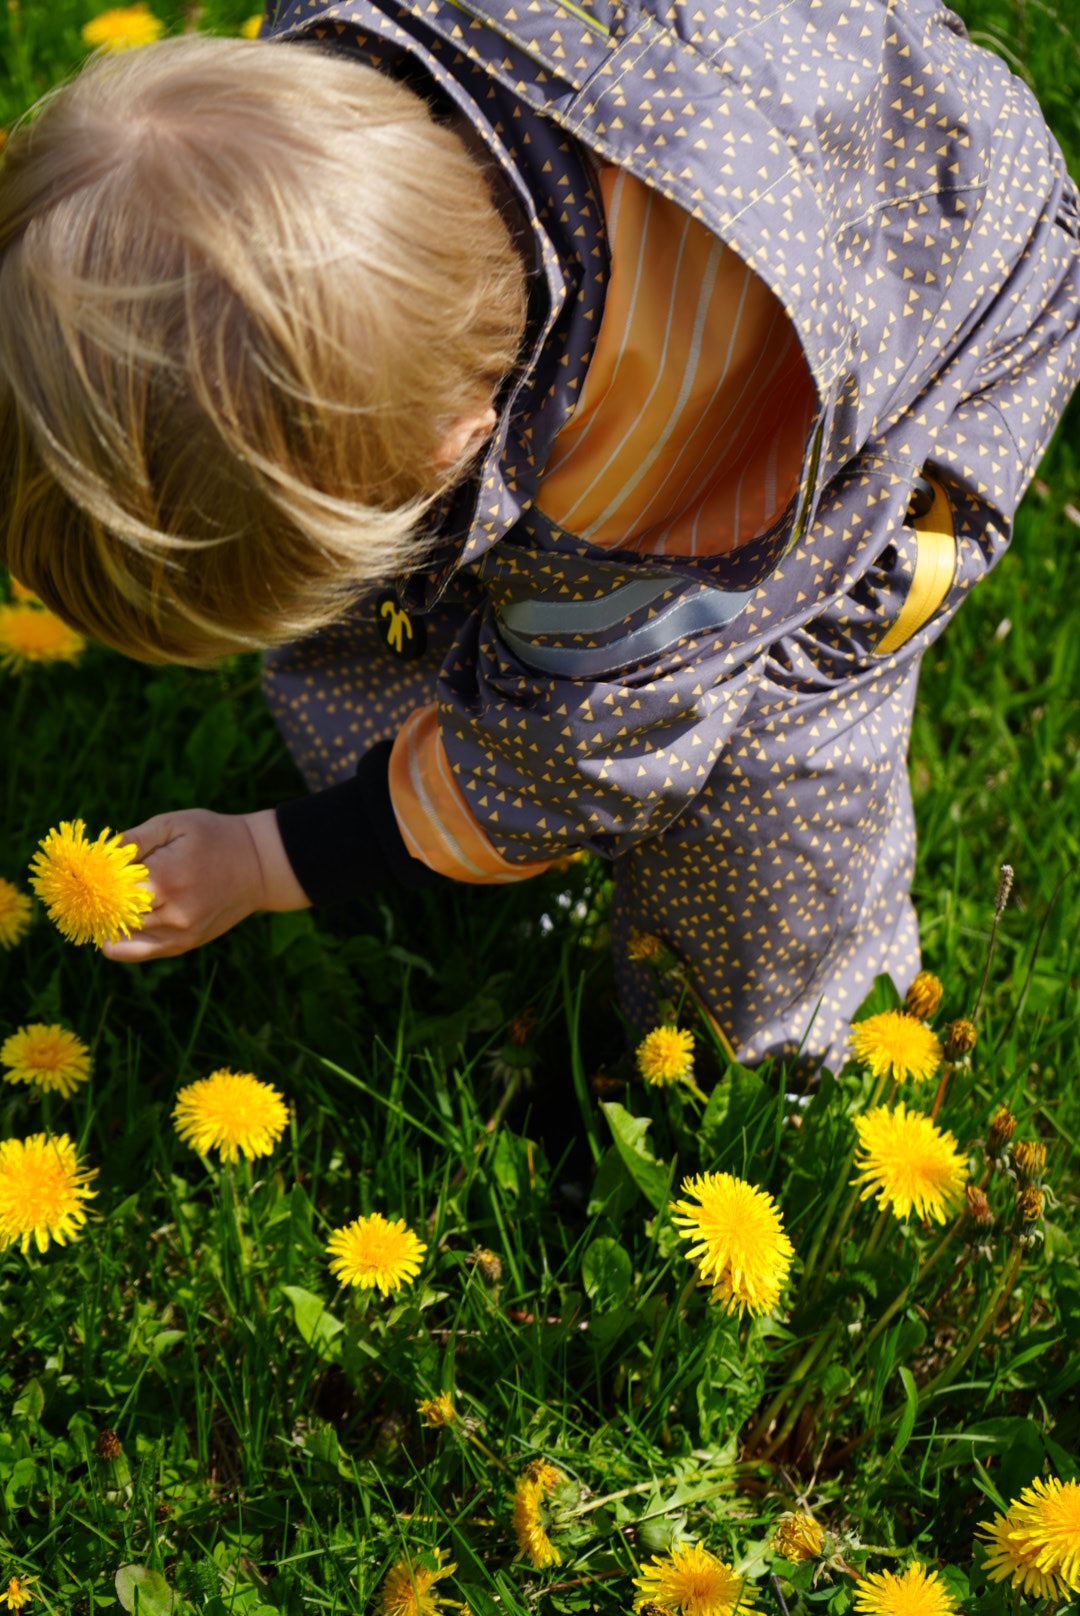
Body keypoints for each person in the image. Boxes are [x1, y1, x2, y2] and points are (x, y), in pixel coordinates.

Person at [2, 0, 1078, 1075]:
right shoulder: (346, 65)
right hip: (783, 86)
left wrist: (271, 856)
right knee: (409, 601)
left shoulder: (640, 507)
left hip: (947, 296)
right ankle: (412, 795)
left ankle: (772, 1066)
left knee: (760, 767)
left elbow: (585, 751)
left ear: (459, 445)